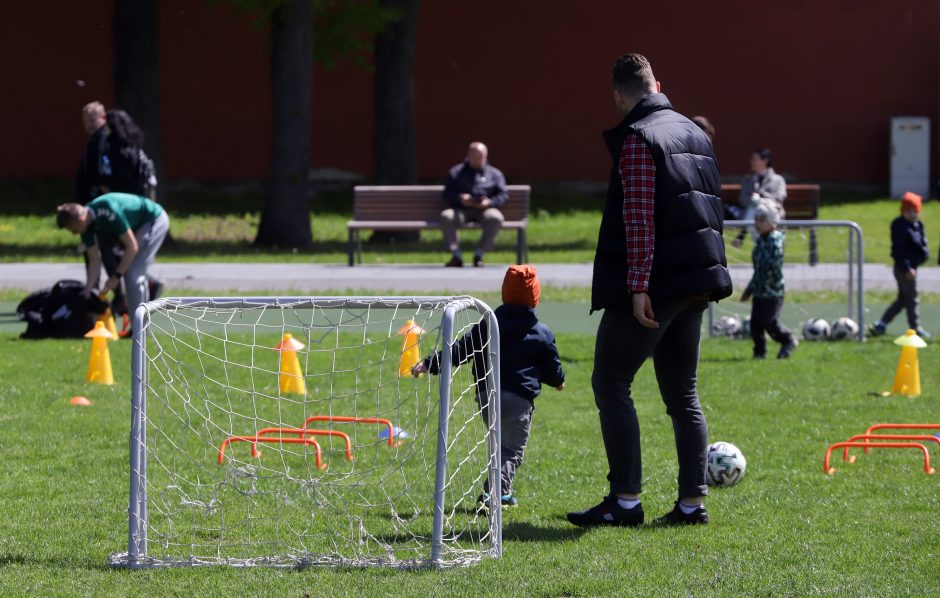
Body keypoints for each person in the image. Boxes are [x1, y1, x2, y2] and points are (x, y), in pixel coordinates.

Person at [567, 53, 732, 529]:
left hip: (657, 284)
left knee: (611, 383)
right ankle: (691, 505)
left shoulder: (638, 137)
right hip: (698, 280)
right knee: (683, 394)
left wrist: (637, 285)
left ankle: (624, 501)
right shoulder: (695, 132)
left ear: (619, 96)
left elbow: (638, 218)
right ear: (657, 83)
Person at [413, 265, 565, 509]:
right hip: (519, 401)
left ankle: (501, 492)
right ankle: (494, 494)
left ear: (505, 293)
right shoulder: (541, 332)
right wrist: (558, 381)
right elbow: (551, 365)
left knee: (500, 446)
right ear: (535, 297)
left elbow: (461, 349)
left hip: (487, 397)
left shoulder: (487, 326)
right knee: (512, 451)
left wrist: (430, 363)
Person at [55, 192, 170, 330]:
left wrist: (116, 277)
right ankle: (140, 322)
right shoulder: (86, 226)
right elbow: (94, 260)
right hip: (138, 227)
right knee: (131, 272)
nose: (73, 233)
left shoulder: (108, 210)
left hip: (154, 219)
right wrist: (88, 289)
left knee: (132, 273)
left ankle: (139, 329)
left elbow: (132, 247)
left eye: (72, 230)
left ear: (80, 219)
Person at [740, 201, 798, 359]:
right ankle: (759, 352)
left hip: (773, 292)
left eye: (762, 219)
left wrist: (764, 280)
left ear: (772, 221)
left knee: (769, 322)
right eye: (756, 218)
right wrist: (749, 290)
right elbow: (758, 270)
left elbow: (770, 266)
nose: (758, 223)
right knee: (755, 325)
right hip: (759, 291)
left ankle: (788, 340)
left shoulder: (774, 241)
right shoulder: (760, 242)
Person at [869, 192, 931, 338]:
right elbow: (899, 250)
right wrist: (908, 267)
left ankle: (881, 324)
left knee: (903, 298)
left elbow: (922, 244)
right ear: (903, 210)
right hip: (903, 268)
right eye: (908, 210)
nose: (912, 214)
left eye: (915, 210)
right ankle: (915, 328)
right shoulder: (899, 226)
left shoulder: (918, 225)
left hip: (913, 267)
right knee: (912, 297)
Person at [440, 142, 508, 268]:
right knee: (446, 216)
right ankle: (456, 255)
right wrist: (460, 198)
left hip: (485, 210)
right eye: (475, 157)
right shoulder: (456, 172)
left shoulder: (495, 174)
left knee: (496, 217)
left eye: (481, 157)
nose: (478, 160)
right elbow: (447, 193)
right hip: (461, 209)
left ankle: (479, 255)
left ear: (486, 156)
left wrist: (490, 202)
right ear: (468, 156)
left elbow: (503, 195)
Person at [730, 148, 787, 247]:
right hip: (754, 217)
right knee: (756, 207)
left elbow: (780, 197)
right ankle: (760, 246)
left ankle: (741, 237)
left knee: (758, 207)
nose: (751, 162)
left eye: (754, 159)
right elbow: (742, 199)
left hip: (773, 215)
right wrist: (754, 200)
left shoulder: (778, 180)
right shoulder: (748, 179)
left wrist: (762, 196)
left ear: (765, 161)